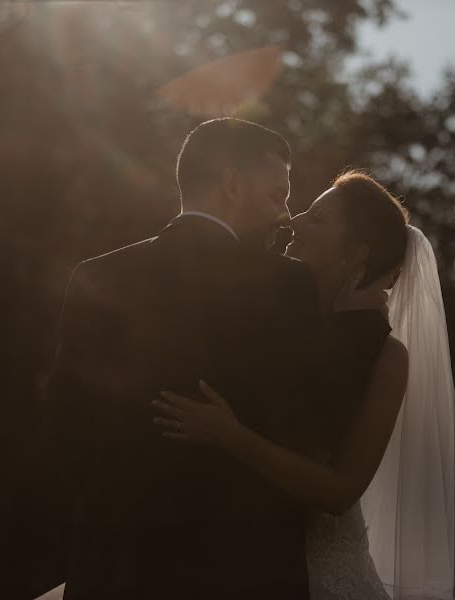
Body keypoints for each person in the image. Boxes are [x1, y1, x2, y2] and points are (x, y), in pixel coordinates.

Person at [38, 118, 387, 600]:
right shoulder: (285, 285)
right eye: (276, 194)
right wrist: (364, 325)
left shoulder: (96, 274)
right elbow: (312, 427)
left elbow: (63, 432)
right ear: (231, 184)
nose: (285, 214)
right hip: (239, 569)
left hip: (111, 567)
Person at [153, 171, 455, 599]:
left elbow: (340, 490)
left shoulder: (386, 357)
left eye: (318, 219)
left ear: (355, 252)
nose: (295, 222)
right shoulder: (258, 314)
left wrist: (230, 435)